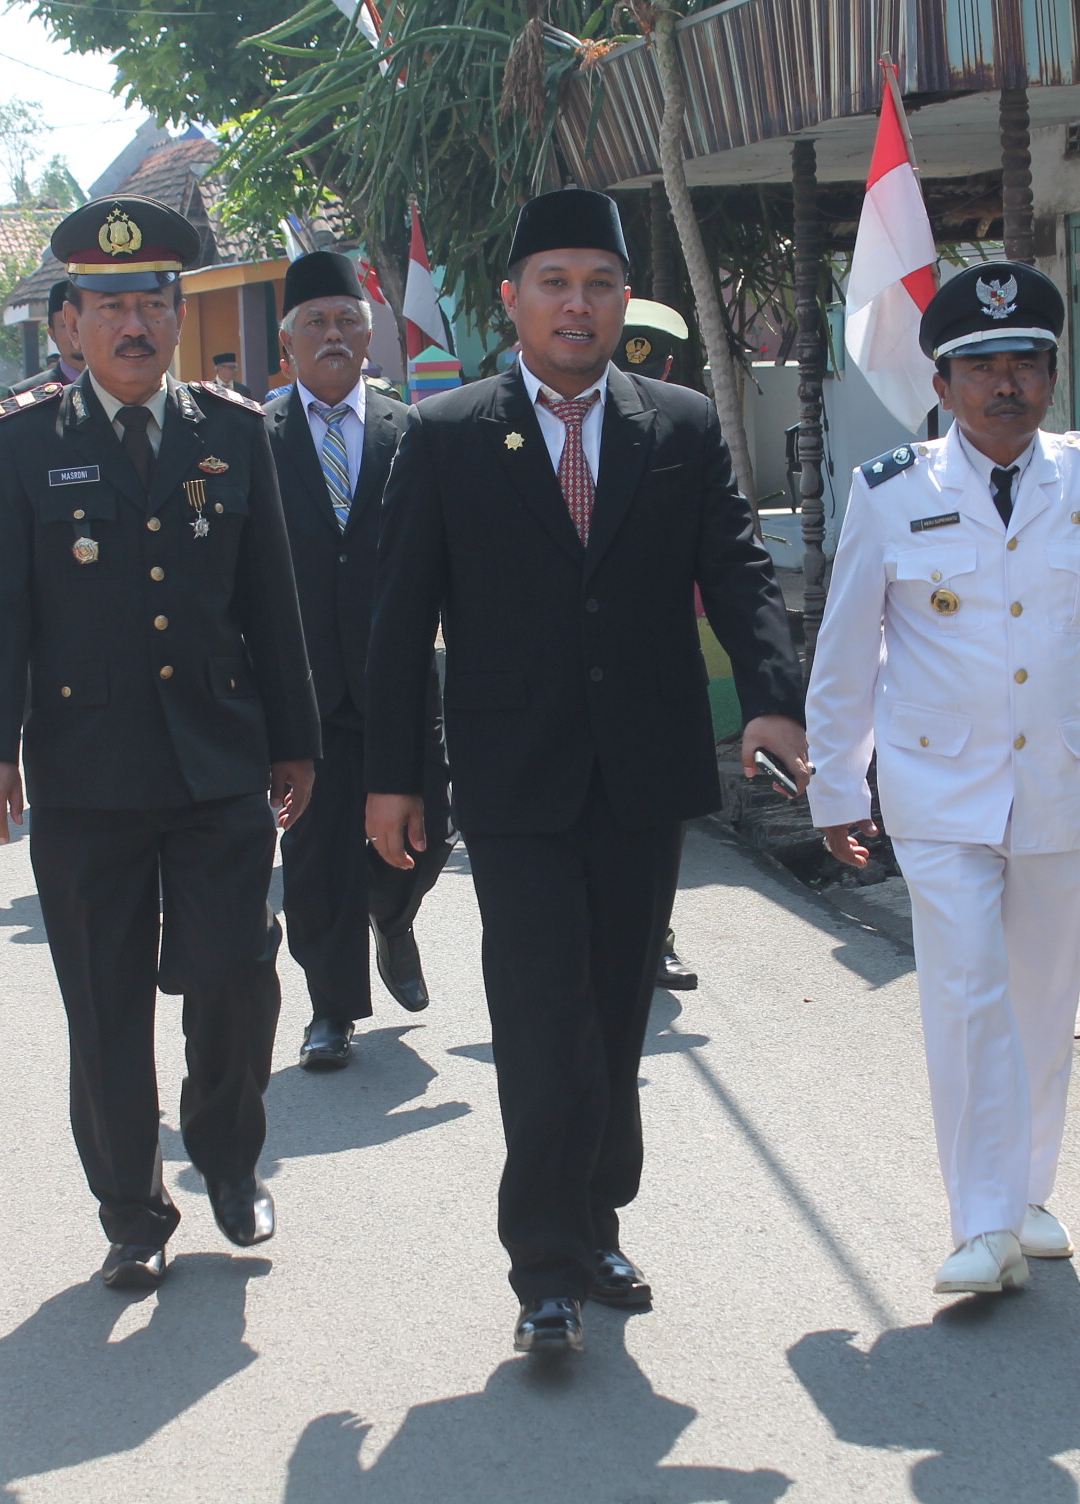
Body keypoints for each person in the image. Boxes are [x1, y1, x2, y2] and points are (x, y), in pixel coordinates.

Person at [365, 189, 806, 1354]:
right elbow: (398, 620)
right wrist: (395, 774)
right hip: (512, 777)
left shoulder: (682, 424)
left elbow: (742, 571)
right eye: (554, 282)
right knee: (536, 1012)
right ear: (511, 300)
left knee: (616, 1011)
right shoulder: (448, 433)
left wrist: (771, 699)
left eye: (599, 284)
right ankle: (543, 1264)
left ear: (623, 302)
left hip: (642, 772)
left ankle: (600, 1215)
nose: (578, 304)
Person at [804, 261, 1080, 1296]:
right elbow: (848, 651)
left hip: (1066, 781)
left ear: (1050, 375)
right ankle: (979, 1220)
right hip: (938, 791)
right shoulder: (891, 492)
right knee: (966, 992)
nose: (1005, 384)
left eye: (1025, 363)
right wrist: (838, 789)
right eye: (980, 366)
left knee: (1042, 997)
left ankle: (1027, 1195)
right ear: (941, 387)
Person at [0, 196, 319, 1294]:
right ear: (70, 323)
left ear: (176, 315)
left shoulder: (234, 432)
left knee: (237, 978)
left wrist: (296, 739)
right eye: (108, 305)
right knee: (105, 1002)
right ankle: (130, 1208)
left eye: (150, 303)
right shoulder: (22, 445)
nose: (132, 324)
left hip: (217, 759)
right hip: (86, 771)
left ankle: (227, 1154)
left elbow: (273, 601)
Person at [268, 252, 447, 1072]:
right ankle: (329, 1009)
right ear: (288, 344)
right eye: (316, 323)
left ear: (369, 338)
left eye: (346, 321)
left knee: (427, 835)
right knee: (312, 858)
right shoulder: (254, 438)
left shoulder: (411, 431)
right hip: (300, 686)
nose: (332, 335)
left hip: (400, 678)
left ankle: (395, 918)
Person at [611, 297, 705, 995]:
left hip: (652, 664)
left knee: (657, 819)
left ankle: (656, 934)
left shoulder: (683, 429)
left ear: (667, 367)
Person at [12, 279, 85, 396]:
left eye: (82, 323)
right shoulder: (27, 393)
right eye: (66, 325)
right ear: (52, 335)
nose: (75, 331)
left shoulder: (122, 384)